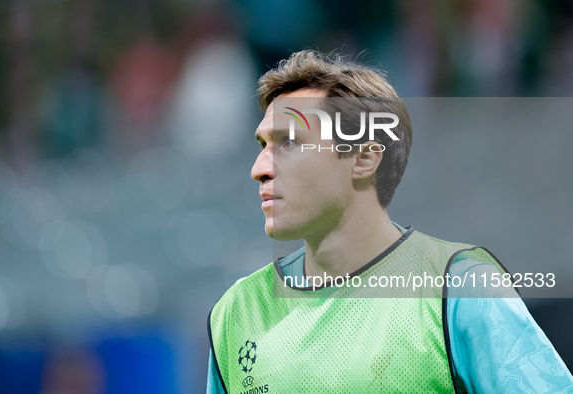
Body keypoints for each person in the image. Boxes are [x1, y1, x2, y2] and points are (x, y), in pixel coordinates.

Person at [206, 50, 573, 393]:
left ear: (364, 158)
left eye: (289, 142)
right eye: (262, 146)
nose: (259, 169)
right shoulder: (236, 312)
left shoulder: (460, 288)